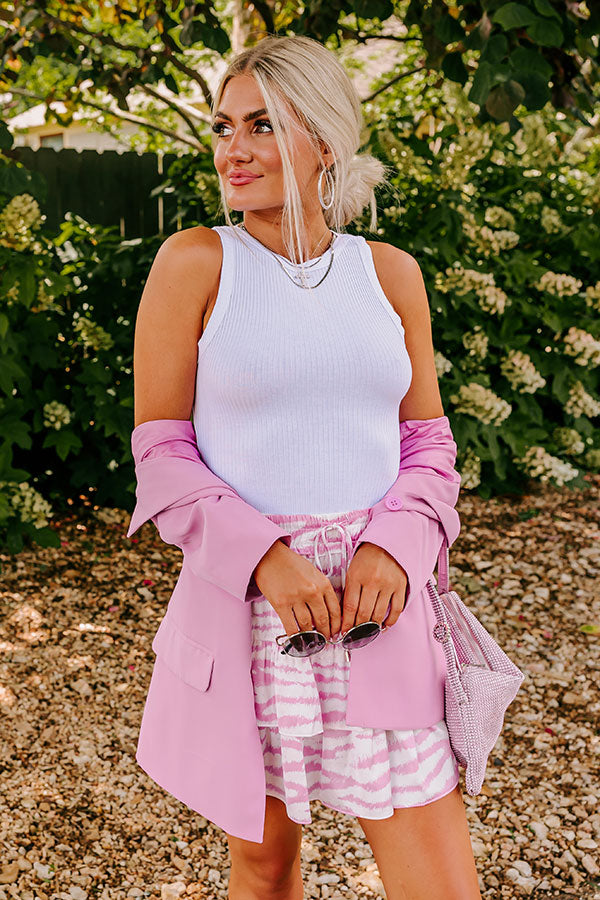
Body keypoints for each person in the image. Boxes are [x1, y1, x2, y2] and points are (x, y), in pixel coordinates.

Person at [131, 32, 482, 900]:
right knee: (261, 856)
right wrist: (266, 559)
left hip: (378, 601)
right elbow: (161, 449)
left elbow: (428, 443)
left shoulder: (391, 275)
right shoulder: (195, 264)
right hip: (252, 601)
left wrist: (396, 545)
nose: (233, 149)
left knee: (433, 864)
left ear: (325, 140)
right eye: (224, 126)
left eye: (262, 125)